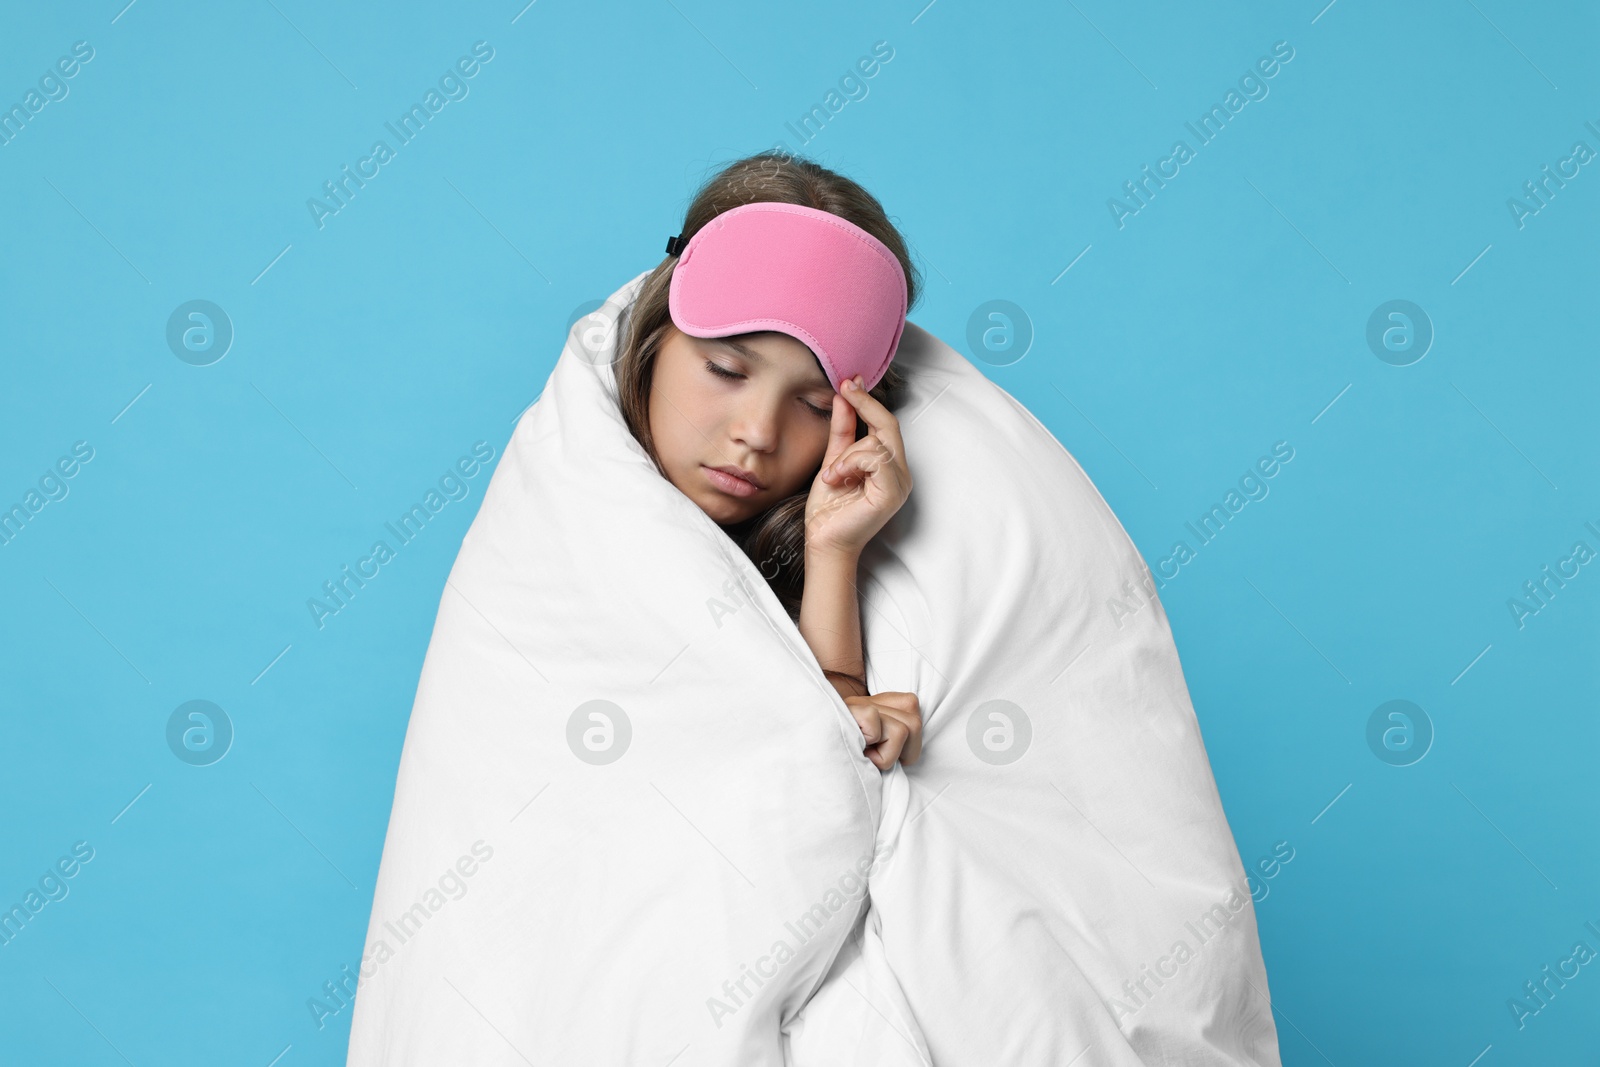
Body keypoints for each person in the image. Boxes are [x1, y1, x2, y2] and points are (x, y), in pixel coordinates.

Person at [611, 151, 924, 770]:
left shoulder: (800, 551)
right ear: (653, 342)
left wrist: (832, 553)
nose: (757, 433)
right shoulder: (570, 505)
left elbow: (810, 777)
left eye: (812, 405)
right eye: (726, 371)